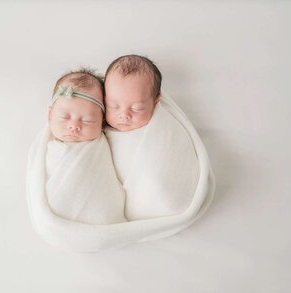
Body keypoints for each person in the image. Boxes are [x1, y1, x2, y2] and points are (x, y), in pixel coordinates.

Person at [104, 55, 199, 220]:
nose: (124, 115)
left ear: (155, 102)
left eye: (137, 107)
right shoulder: (99, 127)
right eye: (114, 106)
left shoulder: (165, 128)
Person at [45, 69, 127, 224]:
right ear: (50, 116)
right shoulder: (49, 147)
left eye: (87, 121)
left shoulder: (103, 145)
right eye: (64, 117)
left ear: (102, 123)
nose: (74, 126)